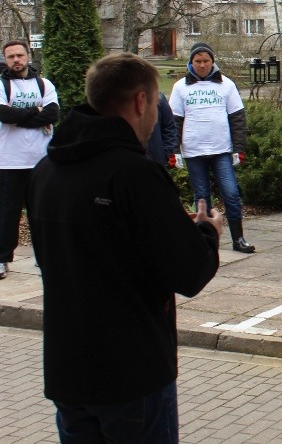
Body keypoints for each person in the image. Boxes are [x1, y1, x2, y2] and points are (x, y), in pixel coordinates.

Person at [27, 52, 221, 443]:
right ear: (140, 101)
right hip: (132, 372)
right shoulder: (135, 174)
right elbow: (189, 271)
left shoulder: (46, 171)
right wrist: (207, 232)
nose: (156, 118)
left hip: (68, 368)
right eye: (156, 106)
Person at [170, 42, 255, 253]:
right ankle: (205, 242)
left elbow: (237, 119)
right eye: (197, 61)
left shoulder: (226, 85)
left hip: (221, 150)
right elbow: (175, 122)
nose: (202, 65)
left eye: (206, 61)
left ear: (212, 62)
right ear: (191, 62)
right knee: (202, 197)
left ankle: (238, 239)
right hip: (194, 151)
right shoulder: (180, 87)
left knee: (231, 193)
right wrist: (175, 151)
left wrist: (238, 148)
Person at [0, 40, 58, 280]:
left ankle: (44, 258)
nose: (16, 60)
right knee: (7, 214)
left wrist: (19, 118)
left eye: (19, 55)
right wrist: (36, 112)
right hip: (8, 161)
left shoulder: (44, 85)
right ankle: (2, 258)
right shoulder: (2, 85)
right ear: (5, 60)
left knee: (42, 213)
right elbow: (4, 114)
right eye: (11, 56)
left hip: (40, 162)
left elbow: (52, 113)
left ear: (28, 56)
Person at [146, 92, 176, 166]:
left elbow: (169, 126)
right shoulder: (121, 101)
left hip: (156, 161)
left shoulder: (158, 98)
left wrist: (165, 153)